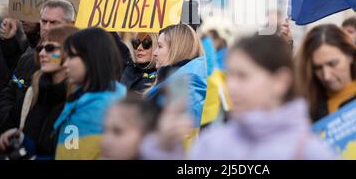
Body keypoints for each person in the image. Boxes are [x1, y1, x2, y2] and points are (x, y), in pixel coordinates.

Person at [140, 34, 337, 160]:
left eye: (243, 76)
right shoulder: (212, 143)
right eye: (231, 75)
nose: (231, 85)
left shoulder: (310, 151)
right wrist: (164, 150)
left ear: (280, 81)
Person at [0, 26, 79, 160]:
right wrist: (21, 139)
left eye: (50, 48)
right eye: (40, 48)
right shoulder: (33, 92)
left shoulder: (79, 101)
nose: (42, 53)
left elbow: (70, 155)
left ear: (71, 52)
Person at [0, 0, 75, 134]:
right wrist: (12, 129)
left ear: (71, 25)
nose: (46, 27)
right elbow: (9, 93)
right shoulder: (28, 59)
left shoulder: (78, 69)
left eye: (53, 22)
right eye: (44, 21)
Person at [53, 28, 127, 159]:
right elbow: (71, 151)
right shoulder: (83, 99)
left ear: (91, 57)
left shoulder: (106, 108)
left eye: (71, 56)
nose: (65, 64)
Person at [295, 24, 356, 122]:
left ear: (351, 56)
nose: (326, 76)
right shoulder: (304, 108)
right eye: (318, 68)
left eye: (332, 64)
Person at [144, 24, 207, 137]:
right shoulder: (181, 82)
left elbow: (172, 140)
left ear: (176, 50)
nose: (154, 52)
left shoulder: (182, 87)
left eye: (159, 46)